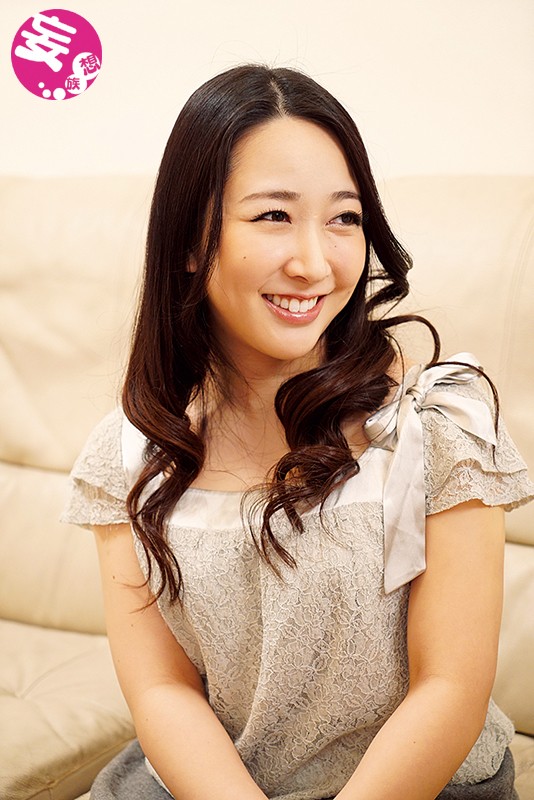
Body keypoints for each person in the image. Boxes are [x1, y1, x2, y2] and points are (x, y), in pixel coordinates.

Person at [62, 64, 533, 800]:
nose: (315, 264)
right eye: (274, 216)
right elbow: (163, 690)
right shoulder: (129, 455)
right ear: (191, 241)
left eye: (344, 219)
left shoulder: (439, 423)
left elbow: (451, 688)